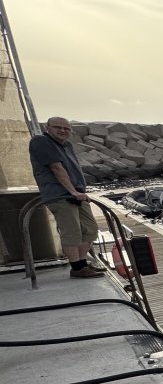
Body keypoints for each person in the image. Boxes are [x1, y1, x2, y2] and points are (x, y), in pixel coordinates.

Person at [29, 117, 101, 278]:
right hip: (60, 195)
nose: (62, 131)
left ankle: (82, 264)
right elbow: (56, 167)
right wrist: (73, 192)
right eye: (57, 127)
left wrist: (78, 192)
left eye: (66, 128)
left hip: (77, 194)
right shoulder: (41, 141)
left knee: (90, 229)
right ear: (47, 128)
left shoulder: (66, 145)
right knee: (72, 232)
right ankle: (77, 268)